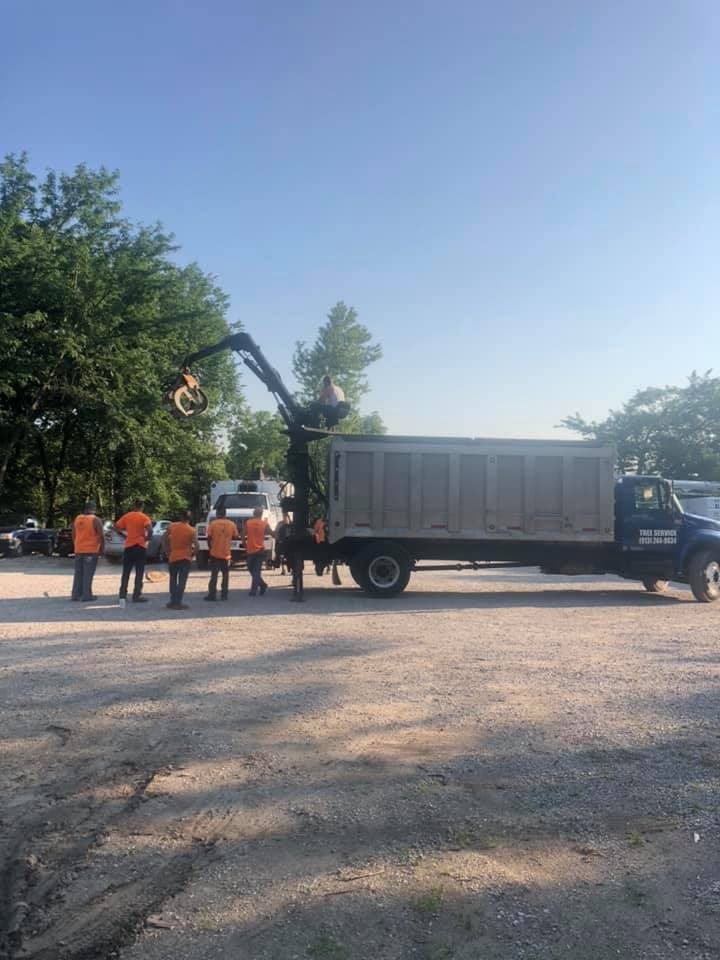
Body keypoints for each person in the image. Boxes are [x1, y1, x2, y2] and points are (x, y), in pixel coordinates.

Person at [115, 499, 153, 605]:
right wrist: (146, 539)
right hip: (140, 546)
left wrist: (123, 535)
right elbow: (150, 530)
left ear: (133, 506)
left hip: (129, 546)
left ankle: (122, 595)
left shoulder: (127, 516)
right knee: (139, 572)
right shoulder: (144, 517)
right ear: (142, 507)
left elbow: (116, 526)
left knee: (126, 572)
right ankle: (137, 595)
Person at [162, 510, 196, 610]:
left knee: (173, 580)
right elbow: (197, 545)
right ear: (189, 519)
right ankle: (178, 602)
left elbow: (163, 539)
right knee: (182, 581)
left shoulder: (172, 526)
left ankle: (172, 601)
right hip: (185, 558)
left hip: (173, 557)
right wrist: (193, 554)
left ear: (181, 517)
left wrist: (167, 551)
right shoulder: (191, 530)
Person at [70, 501, 105, 602]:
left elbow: (73, 534)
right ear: (94, 509)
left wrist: (76, 545)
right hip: (91, 550)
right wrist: (102, 549)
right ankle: (87, 595)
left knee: (78, 573)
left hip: (78, 550)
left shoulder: (77, 519)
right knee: (88, 574)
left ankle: (75, 594)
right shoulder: (95, 520)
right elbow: (101, 536)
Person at [205, 505, 238, 601]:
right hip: (226, 554)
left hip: (215, 553)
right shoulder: (231, 524)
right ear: (225, 514)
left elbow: (209, 538)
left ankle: (212, 595)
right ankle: (224, 595)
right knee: (225, 575)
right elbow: (236, 536)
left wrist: (210, 548)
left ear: (217, 513)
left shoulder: (213, 524)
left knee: (214, 575)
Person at [245, 506, 275, 596]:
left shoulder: (248, 523)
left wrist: (245, 544)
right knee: (256, 571)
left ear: (254, 514)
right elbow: (272, 533)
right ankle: (262, 585)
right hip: (260, 549)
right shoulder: (264, 523)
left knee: (252, 569)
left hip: (251, 550)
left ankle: (253, 590)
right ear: (261, 514)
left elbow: (242, 533)